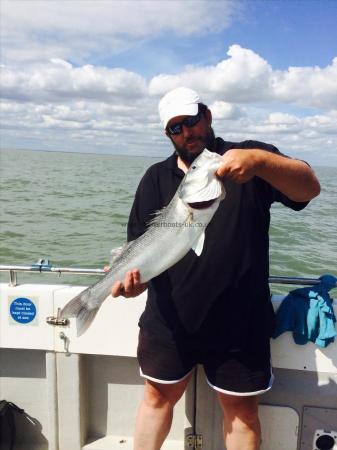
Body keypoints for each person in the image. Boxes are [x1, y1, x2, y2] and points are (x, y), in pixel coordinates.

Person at [111, 87, 321, 450]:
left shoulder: (247, 160)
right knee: (156, 399)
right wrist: (132, 284)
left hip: (240, 321)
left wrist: (260, 162)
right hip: (169, 321)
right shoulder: (155, 178)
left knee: (241, 413)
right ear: (168, 134)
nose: (187, 132)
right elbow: (138, 250)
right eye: (176, 128)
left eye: (191, 121)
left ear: (207, 116)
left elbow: (308, 189)